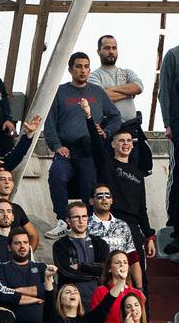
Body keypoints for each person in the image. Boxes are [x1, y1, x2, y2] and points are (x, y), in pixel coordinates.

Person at [43, 54, 124, 237]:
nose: (83, 70)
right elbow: (49, 124)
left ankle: (88, 225)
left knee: (90, 185)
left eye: (86, 66)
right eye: (78, 66)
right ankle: (64, 220)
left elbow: (115, 116)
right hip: (67, 150)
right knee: (56, 175)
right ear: (70, 69)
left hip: (89, 151)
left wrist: (106, 131)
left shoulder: (97, 91)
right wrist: (56, 146)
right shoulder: (60, 91)